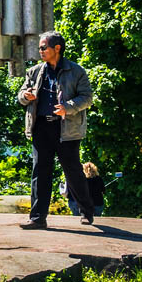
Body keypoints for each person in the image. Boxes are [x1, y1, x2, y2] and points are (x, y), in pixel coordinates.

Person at [18, 31, 96, 229]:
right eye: (40, 48)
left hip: (66, 128)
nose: (40, 51)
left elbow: (87, 98)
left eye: (44, 47)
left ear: (57, 49)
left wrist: (67, 108)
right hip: (41, 126)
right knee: (40, 171)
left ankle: (86, 211)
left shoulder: (76, 71)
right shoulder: (35, 71)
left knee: (73, 171)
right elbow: (20, 96)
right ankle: (37, 218)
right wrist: (26, 96)